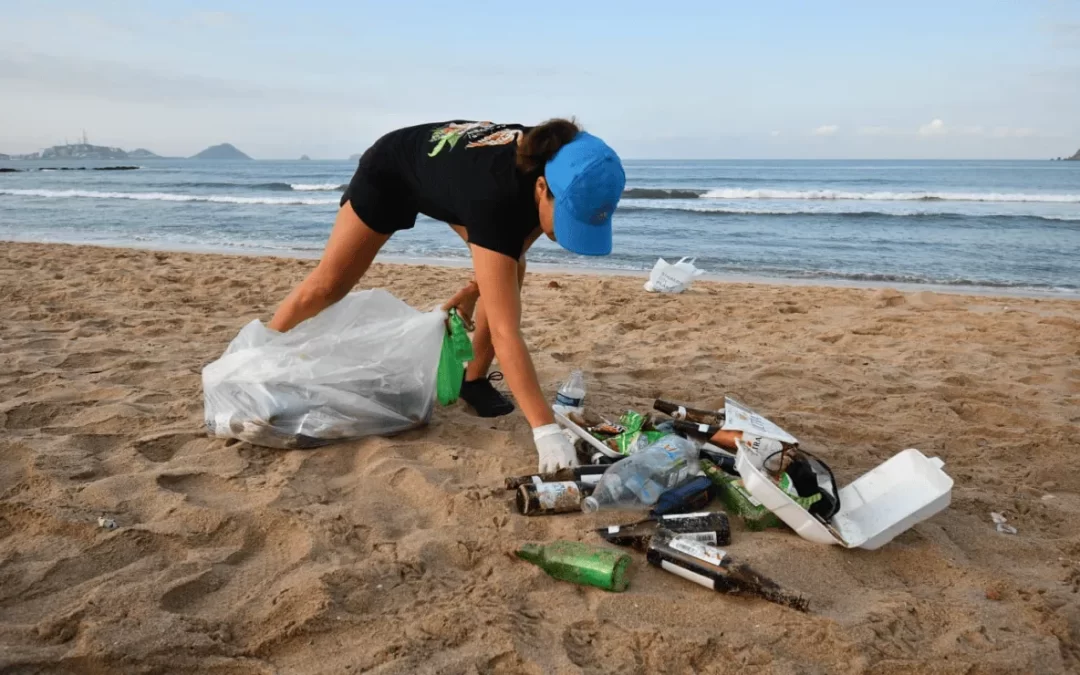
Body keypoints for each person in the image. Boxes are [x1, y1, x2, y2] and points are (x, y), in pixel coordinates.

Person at [268, 119, 626, 472]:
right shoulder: (497, 195)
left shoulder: (562, 156)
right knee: (329, 285)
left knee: (512, 269)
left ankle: (473, 380)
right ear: (540, 187)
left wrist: (473, 289)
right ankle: (259, 356)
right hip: (393, 169)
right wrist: (546, 430)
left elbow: (509, 249)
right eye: (566, 219)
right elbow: (505, 331)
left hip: (461, 181)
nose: (567, 237)